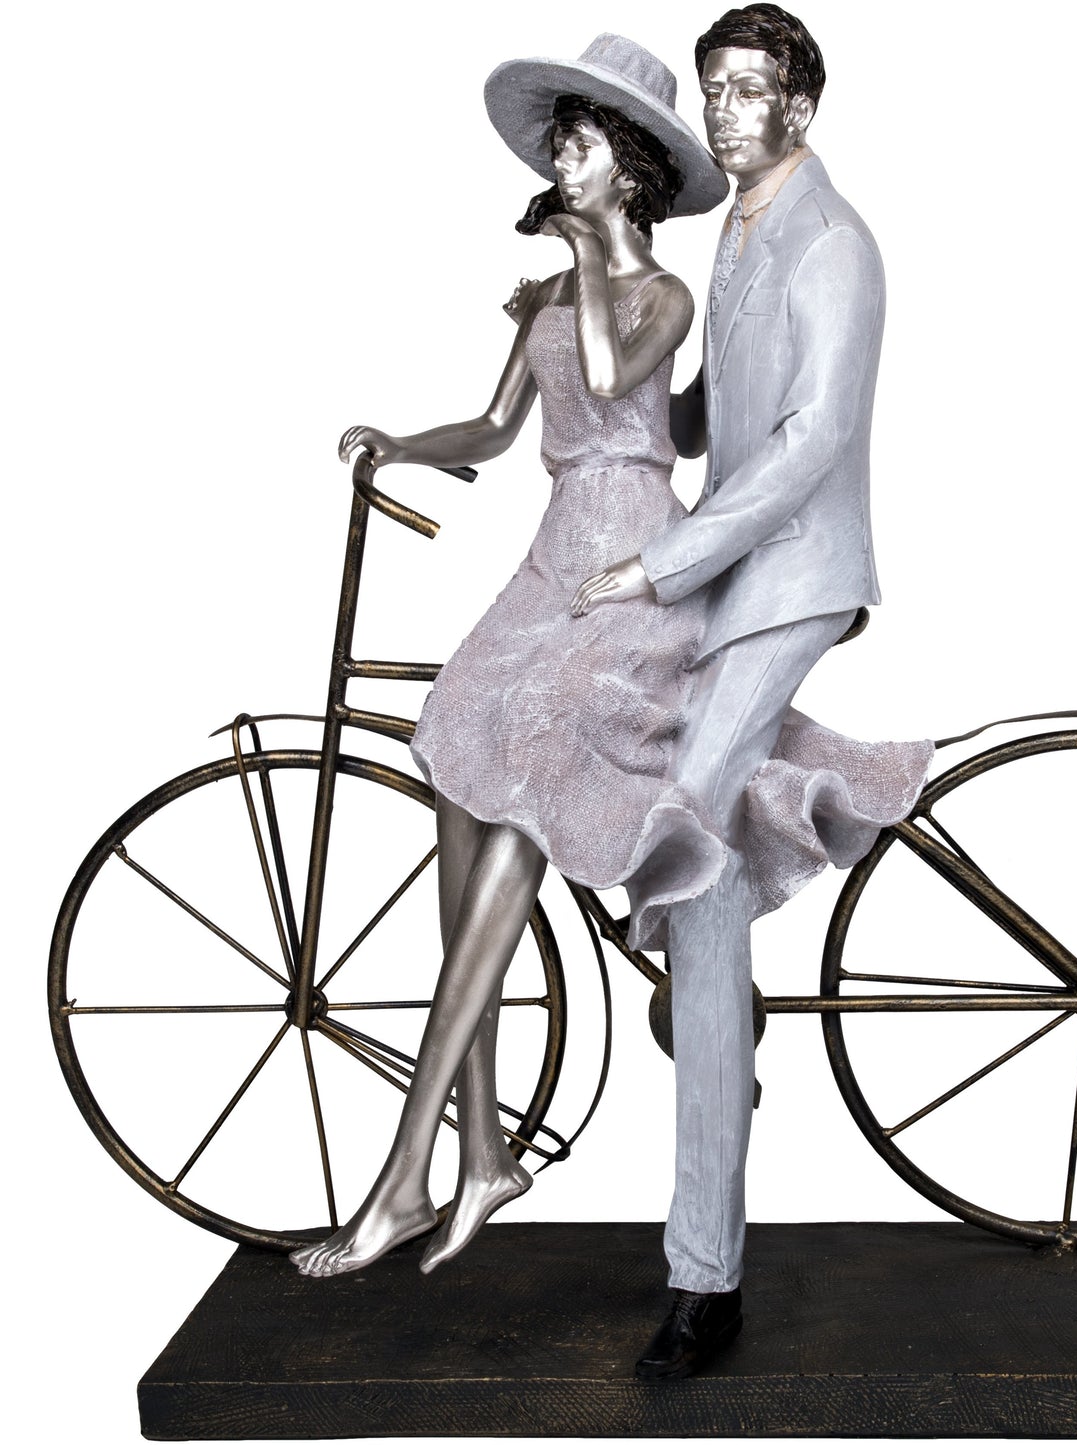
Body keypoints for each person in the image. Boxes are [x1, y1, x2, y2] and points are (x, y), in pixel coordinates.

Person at [290, 32, 729, 1279]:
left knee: (530, 769)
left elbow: (611, 372)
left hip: (633, 563)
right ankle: (482, 1151)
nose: (557, 159)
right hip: (549, 558)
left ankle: (402, 1174)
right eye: (558, 144)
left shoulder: (659, 296)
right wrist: (399, 442)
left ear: (629, 167)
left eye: (577, 144)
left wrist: (583, 256)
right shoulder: (547, 295)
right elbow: (494, 426)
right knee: (454, 746)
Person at [574, 7, 931, 1380]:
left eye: (748, 90)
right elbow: (706, 414)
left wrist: (659, 561)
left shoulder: (833, 243)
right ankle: (715, 1010)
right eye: (711, 89)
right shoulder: (734, 233)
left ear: (801, 107)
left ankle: (704, 1273)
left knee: (689, 855)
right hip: (728, 571)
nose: (722, 112)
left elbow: (806, 441)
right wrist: (603, 393)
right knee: (645, 802)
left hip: (791, 574)